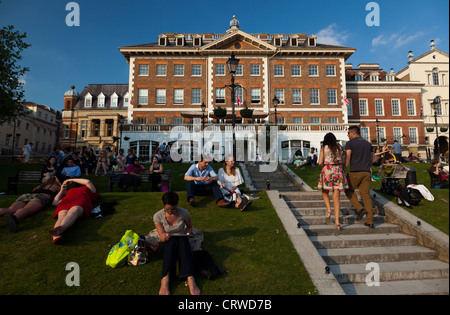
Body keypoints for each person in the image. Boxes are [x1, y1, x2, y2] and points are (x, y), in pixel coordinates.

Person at [153, 191, 200, 295]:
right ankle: (165, 280)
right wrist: (164, 237)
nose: (170, 211)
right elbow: (161, 235)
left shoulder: (184, 213)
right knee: (172, 242)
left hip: (181, 241)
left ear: (177, 205)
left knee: (182, 241)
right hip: (166, 244)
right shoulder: (157, 216)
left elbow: (189, 227)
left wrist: (187, 234)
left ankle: (190, 278)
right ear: (162, 204)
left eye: (173, 209)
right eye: (168, 209)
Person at [49, 178, 99, 244]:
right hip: (67, 201)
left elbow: (88, 181)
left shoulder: (91, 190)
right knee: (62, 215)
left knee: (74, 211)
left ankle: (61, 228)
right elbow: (55, 202)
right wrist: (62, 190)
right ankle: (57, 238)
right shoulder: (68, 192)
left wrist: (72, 179)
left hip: (80, 199)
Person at [344, 126, 375, 228]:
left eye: (348, 133)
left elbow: (348, 157)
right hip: (366, 172)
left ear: (353, 133)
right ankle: (370, 221)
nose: (347, 135)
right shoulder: (368, 144)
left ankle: (359, 208)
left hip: (355, 172)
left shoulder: (350, 143)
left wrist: (344, 169)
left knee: (348, 190)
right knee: (366, 196)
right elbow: (372, 158)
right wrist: (367, 165)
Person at [317, 133, 348, 230]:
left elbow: (320, 162)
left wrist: (325, 167)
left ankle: (329, 210)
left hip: (328, 170)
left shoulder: (324, 148)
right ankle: (337, 222)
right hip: (338, 170)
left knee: (324, 191)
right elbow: (343, 160)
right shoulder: (339, 147)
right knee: (337, 197)